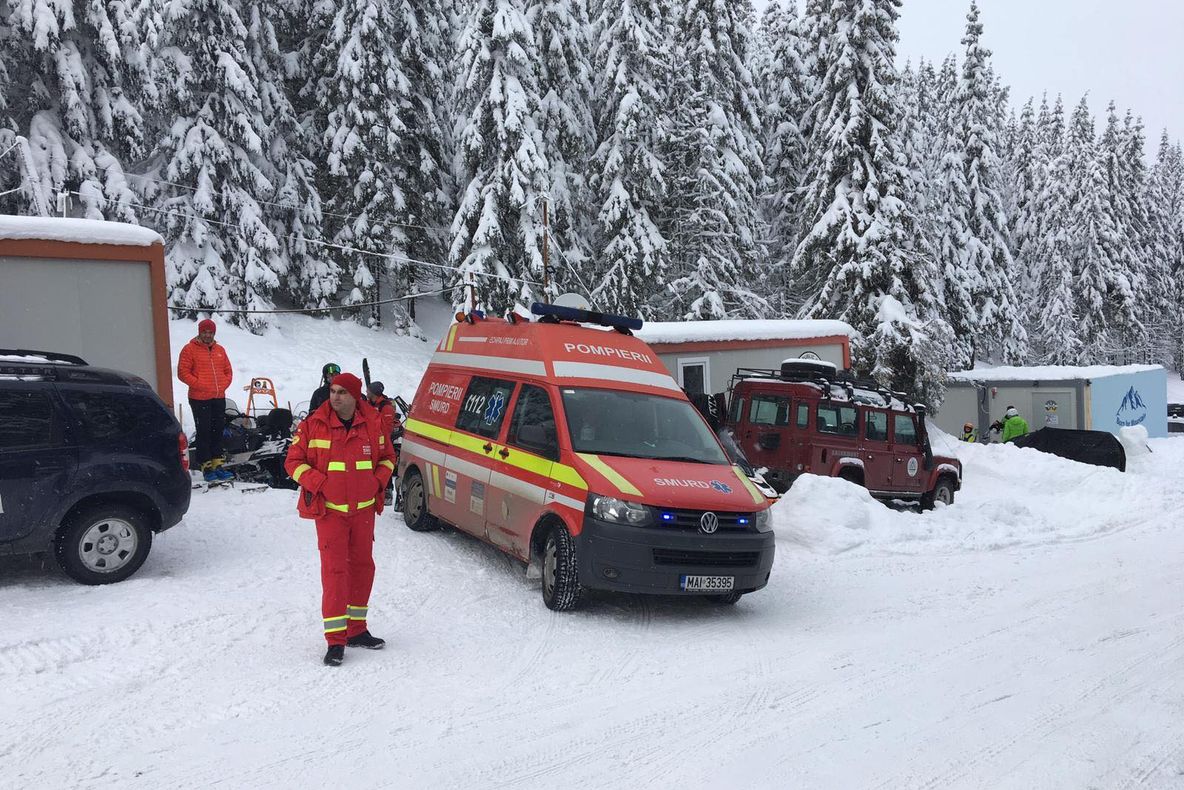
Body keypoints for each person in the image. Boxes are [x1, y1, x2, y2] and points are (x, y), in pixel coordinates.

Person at [285, 372, 396, 667]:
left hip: (363, 512)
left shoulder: (373, 423)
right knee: (335, 573)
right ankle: (335, 640)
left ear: (355, 396)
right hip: (330, 513)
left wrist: (377, 482)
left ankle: (357, 630)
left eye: (342, 393)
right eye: (332, 391)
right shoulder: (313, 425)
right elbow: (292, 462)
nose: (335, 397)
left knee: (362, 569)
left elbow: (388, 458)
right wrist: (319, 482)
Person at [177, 318, 234, 482]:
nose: (208, 335)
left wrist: (223, 384)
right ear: (199, 332)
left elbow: (228, 371)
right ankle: (206, 466)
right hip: (199, 398)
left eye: (210, 332)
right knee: (204, 431)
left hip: (218, 397)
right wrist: (200, 385)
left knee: (217, 430)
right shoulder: (189, 349)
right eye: (205, 332)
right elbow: (183, 372)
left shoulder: (220, 350)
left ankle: (217, 463)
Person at [367, 381, 402, 506]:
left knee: (383, 467)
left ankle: (388, 491)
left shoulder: (386, 407)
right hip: (370, 441)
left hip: (382, 443)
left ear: (373, 393)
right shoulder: (369, 403)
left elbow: (386, 429)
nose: (366, 393)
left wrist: (379, 442)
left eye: (368, 391)